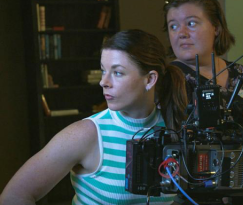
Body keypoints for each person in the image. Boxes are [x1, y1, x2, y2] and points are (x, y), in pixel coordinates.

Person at [0, 29, 188, 205]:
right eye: (103, 70)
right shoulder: (86, 134)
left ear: (150, 79)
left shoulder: (175, 128)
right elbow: (13, 197)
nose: (103, 82)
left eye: (117, 72)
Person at [163, 0, 243, 144]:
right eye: (173, 26)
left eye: (191, 23)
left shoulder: (239, 72)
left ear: (216, 27)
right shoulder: (166, 79)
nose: (181, 33)